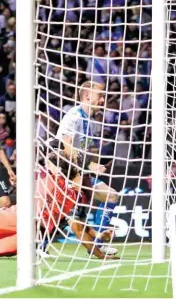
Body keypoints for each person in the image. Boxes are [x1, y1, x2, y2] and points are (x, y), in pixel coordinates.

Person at [53, 80, 119, 235]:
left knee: (111, 196)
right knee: (62, 214)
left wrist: (93, 165)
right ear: (88, 95)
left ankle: (99, 241)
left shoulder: (90, 121)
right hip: (65, 174)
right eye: (100, 96)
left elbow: (83, 152)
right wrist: (77, 176)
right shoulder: (74, 117)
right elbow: (65, 147)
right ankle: (40, 245)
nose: (103, 100)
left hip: (80, 172)